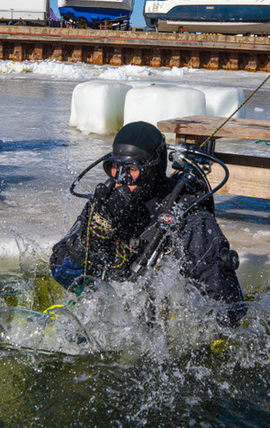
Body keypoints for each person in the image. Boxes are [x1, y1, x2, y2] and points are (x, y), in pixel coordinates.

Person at [50, 121, 245, 326]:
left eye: (132, 168)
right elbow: (60, 268)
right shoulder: (106, 204)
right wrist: (91, 239)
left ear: (152, 168)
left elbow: (228, 307)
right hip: (111, 319)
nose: (121, 178)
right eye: (115, 167)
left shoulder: (186, 214)